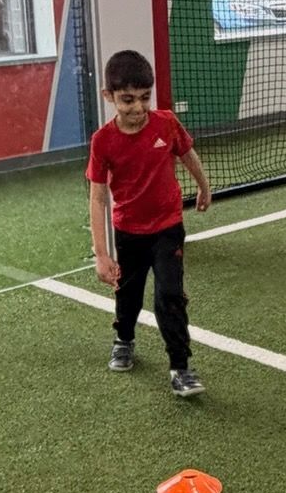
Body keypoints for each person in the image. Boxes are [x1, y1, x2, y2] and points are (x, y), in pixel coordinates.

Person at [88, 49, 211, 397]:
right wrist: (101, 253)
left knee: (170, 295)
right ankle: (124, 339)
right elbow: (97, 198)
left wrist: (203, 186)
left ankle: (181, 367)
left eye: (144, 98)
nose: (138, 108)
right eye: (127, 100)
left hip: (168, 227)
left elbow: (186, 152)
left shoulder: (166, 122)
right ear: (109, 97)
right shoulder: (103, 142)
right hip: (128, 232)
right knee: (128, 294)